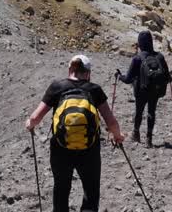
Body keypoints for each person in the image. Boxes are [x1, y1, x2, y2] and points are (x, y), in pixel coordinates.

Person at [25, 55, 124, 212]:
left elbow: (35, 118)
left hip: (61, 148)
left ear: (70, 69)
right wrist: (118, 136)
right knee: (91, 191)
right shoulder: (94, 89)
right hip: (89, 149)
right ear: (88, 73)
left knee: (61, 187)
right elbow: (111, 121)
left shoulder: (57, 87)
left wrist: (30, 125)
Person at [116, 30, 170, 147]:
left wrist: (119, 77)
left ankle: (136, 133)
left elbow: (128, 79)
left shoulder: (137, 58)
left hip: (141, 90)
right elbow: (168, 77)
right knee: (152, 111)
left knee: (139, 111)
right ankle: (149, 139)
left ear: (140, 43)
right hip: (155, 90)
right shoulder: (159, 57)